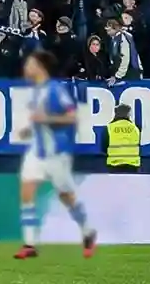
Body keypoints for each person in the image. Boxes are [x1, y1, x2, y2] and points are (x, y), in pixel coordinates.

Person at [14, 49, 97, 260]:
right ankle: (29, 244)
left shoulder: (55, 90)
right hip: (37, 151)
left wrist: (46, 119)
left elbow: (71, 118)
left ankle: (88, 231)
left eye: (29, 64)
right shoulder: (35, 92)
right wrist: (30, 129)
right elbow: (39, 121)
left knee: (66, 195)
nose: (26, 68)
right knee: (26, 190)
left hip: (57, 153)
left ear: (39, 67)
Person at [102, 104, 141, 173]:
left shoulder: (109, 128)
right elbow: (138, 145)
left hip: (114, 165)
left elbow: (103, 147)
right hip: (132, 166)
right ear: (128, 114)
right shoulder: (135, 128)